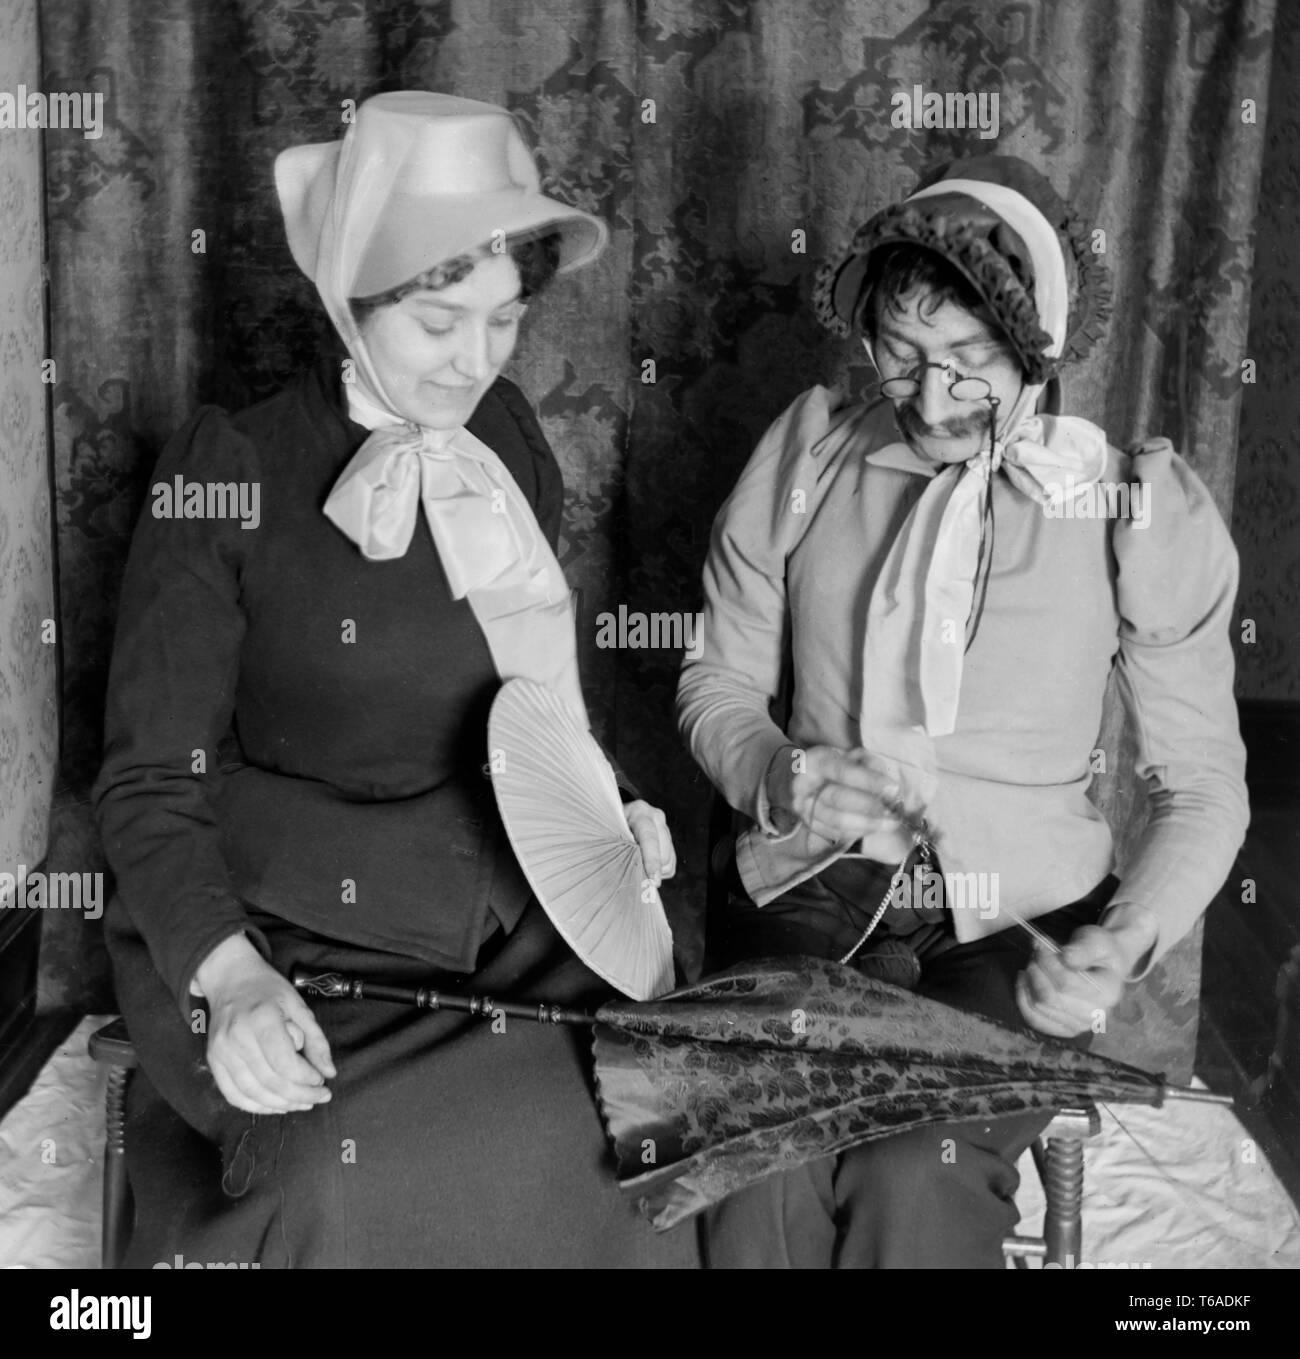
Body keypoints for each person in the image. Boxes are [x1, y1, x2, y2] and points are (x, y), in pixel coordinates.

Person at [95, 91, 697, 1269]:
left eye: (505, 321)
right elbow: (146, 780)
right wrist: (228, 982)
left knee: (640, 1126)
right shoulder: (225, 470)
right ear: (350, 297)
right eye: (437, 323)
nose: (473, 363)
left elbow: (529, 690)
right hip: (279, 928)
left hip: (506, 912)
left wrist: (606, 802)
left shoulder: (511, 437)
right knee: (345, 1174)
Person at [676, 154, 1249, 1268]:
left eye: (969, 364)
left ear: (1036, 348)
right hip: (806, 892)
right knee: (762, 1146)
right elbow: (716, 685)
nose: (930, 401)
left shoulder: (1131, 510)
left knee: (915, 1168)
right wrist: (778, 772)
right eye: (901, 358)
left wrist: (1120, 941)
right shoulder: (805, 460)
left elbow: (1200, 786)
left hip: (1014, 923)